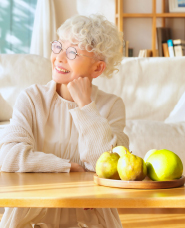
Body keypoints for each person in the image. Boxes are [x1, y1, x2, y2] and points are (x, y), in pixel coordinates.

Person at [0, 14, 129, 228]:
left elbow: (110, 168)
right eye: (58, 46)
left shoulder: (112, 105)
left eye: (72, 52)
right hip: (32, 215)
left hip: (90, 218)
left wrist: (86, 106)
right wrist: (68, 167)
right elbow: (9, 157)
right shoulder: (32, 98)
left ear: (97, 68)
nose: (59, 57)